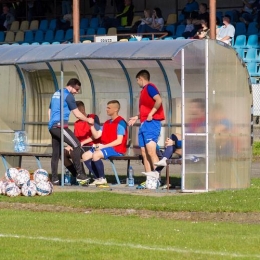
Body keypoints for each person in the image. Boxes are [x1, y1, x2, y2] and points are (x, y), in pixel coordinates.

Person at [48, 78, 92, 185]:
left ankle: (54, 179)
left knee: (56, 153)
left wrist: (50, 122)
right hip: (60, 126)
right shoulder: (68, 96)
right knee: (76, 145)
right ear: (71, 86)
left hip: (52, 127)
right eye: (76, 89)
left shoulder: (56, 93)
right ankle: (80, 174)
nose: (77, 92)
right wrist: (88, 120)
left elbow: (49, 109)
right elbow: (77, 114)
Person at [128, 70, 165, 180]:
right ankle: (149, 179)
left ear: (140, 78)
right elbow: (146, 109)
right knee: (144, 152)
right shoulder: (143, 91)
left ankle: (157, 178)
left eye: (137, 81)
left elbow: (158, 100)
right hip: (144, 124)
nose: (137, 83)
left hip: (152, 123)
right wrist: (137, 117)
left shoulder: (150, 87)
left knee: (151, 151)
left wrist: (151, 113)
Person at [82, 100, 128, 186]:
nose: (106, 109)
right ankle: (97, 178)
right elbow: (97, 135)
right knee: (85, 156)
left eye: (109, 108)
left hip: (117, 149)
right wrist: (91, 126)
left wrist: (103, 146)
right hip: (106, 147)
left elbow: (119, 141)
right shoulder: (107, 123)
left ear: (116, 109)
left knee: (96, 155)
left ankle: (102, 178)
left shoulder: (121, 122)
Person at [63, 100, 101, 180]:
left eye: (76, 112)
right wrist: (70, 145)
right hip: (79, 146)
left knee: (75, 152)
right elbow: (75, 138)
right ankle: (76, 174)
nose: (75, 114)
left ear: (82, 110)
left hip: (90, 145)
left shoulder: (93, 117)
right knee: (62, 153)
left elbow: (96, 135)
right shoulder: (76, 123)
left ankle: (82, 176)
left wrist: (82, 142)